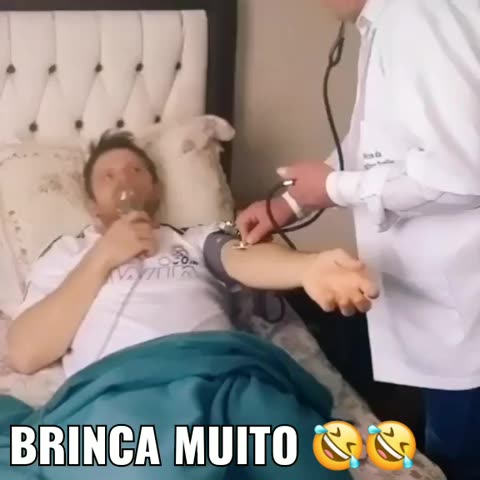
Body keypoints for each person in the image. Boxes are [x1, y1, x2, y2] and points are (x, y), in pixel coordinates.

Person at [236, 1, 480, 479]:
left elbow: (461, 175)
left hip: (464, 322)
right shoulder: (392, 22)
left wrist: (332, 188)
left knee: (457, 457)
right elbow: (371, 146)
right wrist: (290, 203)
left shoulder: (420, 20)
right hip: (437, 310)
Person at [6, 131, 378, 379]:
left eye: (136, 170)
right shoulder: (68, 255)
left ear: (156, 189)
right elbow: (25, 353)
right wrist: (102, 257)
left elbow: (242, 258)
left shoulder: (194, 238)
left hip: (219, 375)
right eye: (108, 176)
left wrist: (308, 267)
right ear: (91, 204)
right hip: (121, 390)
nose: (125, 181)